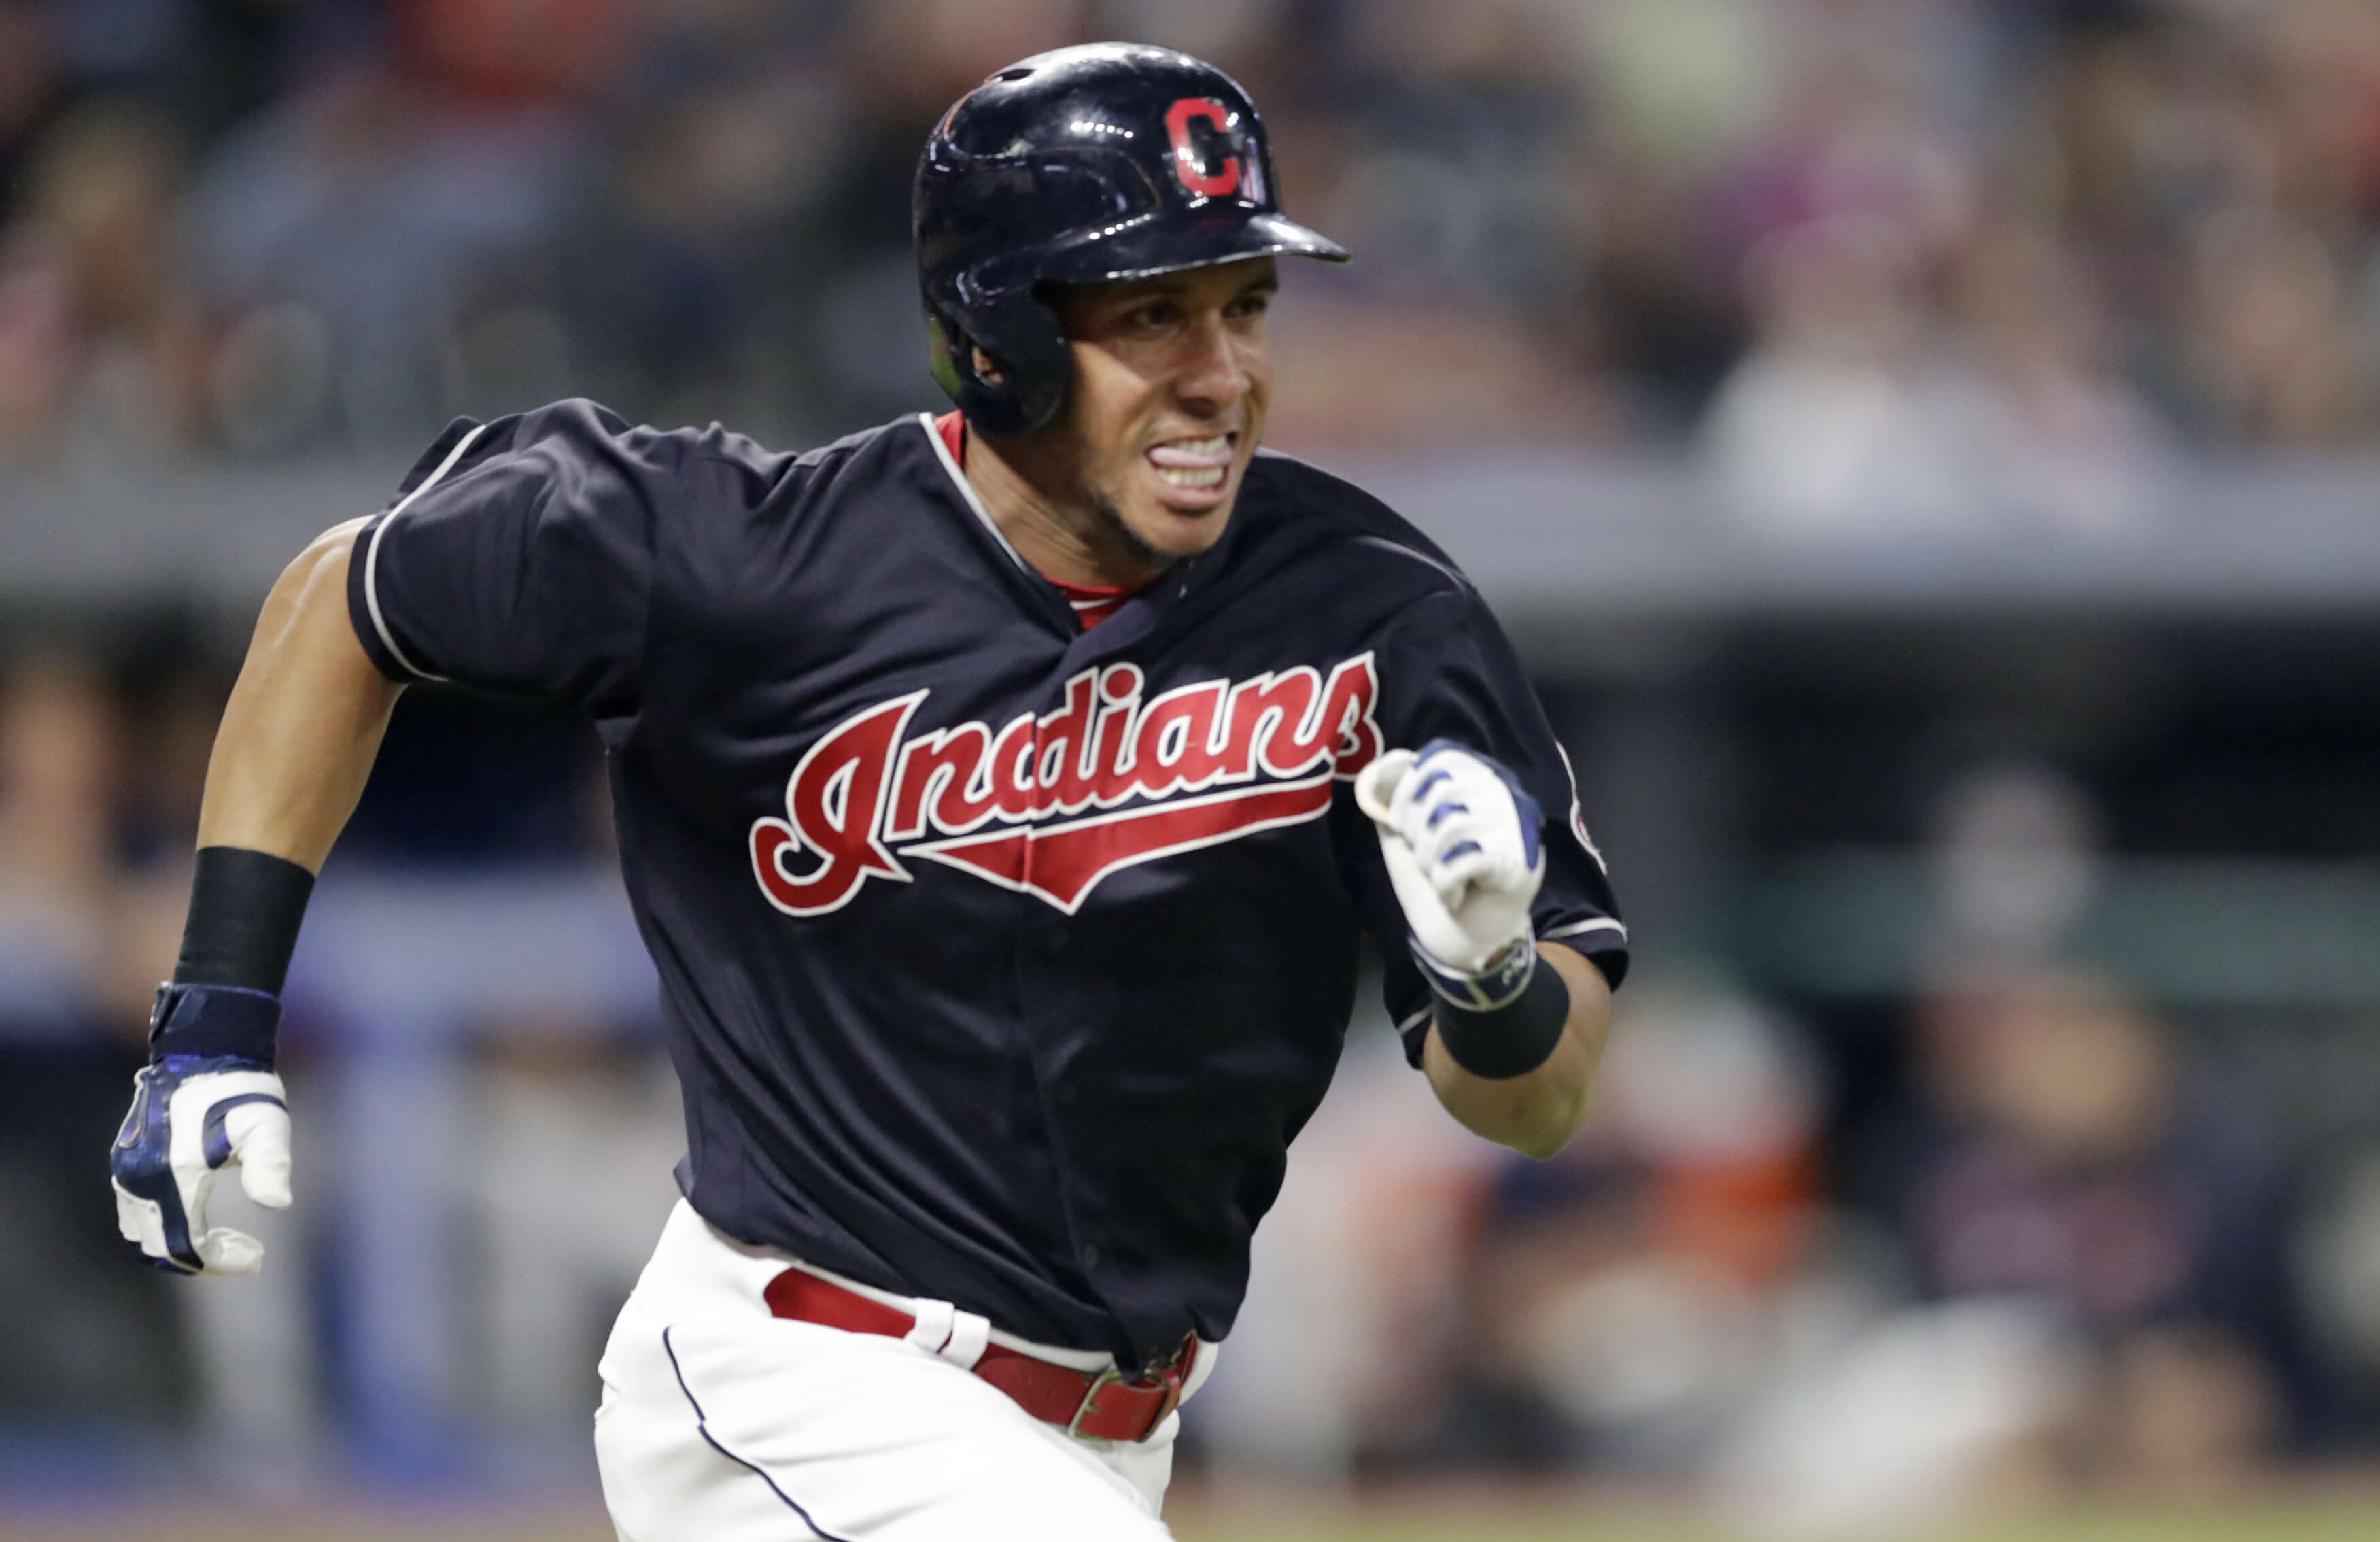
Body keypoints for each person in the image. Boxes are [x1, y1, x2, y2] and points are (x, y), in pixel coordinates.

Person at [107, 43, 1625, 1541]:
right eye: (1152, 314)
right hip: (805, 1375)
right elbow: (347, 598)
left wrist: (1491, 978)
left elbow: (1540, 1106)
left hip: (1111, 1433)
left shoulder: (1369, 608)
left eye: (1244, 306)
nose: (1221, 373)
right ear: (998, 336)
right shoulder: (753, 554)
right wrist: (217, 1015)